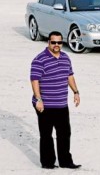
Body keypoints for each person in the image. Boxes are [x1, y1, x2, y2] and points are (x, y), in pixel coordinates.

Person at [30, 31, 81, 169]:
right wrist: (38, 99)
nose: (57, 45)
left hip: (61, 104)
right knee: (46, 135)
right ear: (49, 43)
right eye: (54, 42)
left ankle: (65, 161)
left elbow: (69, 76)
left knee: (64, 134)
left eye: (59, 42)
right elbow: (34, 80)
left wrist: (76, 92)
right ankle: (47, 163)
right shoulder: (39, 59)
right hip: (45, 104)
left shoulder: (65, 58)